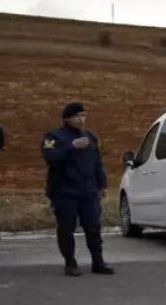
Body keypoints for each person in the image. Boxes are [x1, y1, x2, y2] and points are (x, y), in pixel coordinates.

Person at [41, 102, 113, 277]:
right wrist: (71, 147)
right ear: (67, 118)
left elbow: (97, 163)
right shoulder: (54, 137)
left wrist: (101, 184)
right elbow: (51, 157)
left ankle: (98, 261)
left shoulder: (90, 137)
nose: (81, 119)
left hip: (88, 191)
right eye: (77, 116)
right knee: (67, 228)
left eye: (83, 115)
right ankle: (70, 263)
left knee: (93, 227)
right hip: (65, 192)